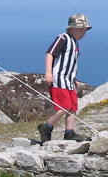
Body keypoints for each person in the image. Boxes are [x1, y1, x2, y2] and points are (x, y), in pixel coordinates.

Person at [38, 13, 91, 144]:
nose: (83, 33)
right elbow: (50, 54)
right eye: (80, 29)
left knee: (73, 106)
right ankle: (47, 126)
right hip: (59, 79)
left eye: (84, 30)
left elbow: (70, 64)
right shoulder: (63, 38)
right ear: (72, 28)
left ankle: (69, 132)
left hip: (69, 80)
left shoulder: (75, 43)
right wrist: (48, 73)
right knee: (64, 106)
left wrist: (74, 79)